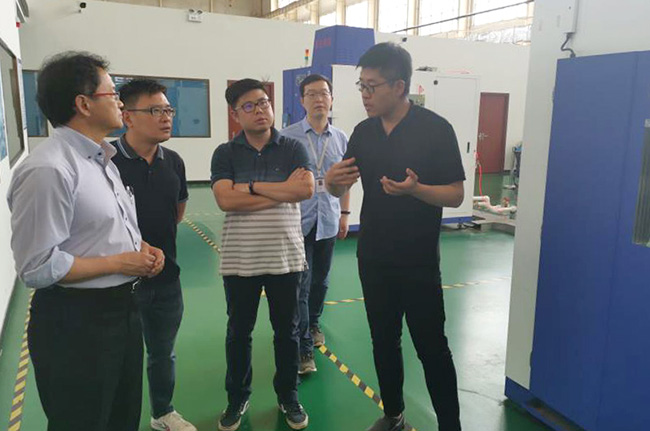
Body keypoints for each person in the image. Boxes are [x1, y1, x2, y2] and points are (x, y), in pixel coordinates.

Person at [7, 51, 164, 431]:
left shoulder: (100, 160)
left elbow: (99, 230)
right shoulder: (49, 169)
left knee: (122, 418)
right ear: (83, 104)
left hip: (122, 313)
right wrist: (120, 263)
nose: (120, 103)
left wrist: (140, 249)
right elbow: (37, 266)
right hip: (75, 324)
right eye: (112, 94)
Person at [325, 42, 465, 431]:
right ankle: (393, 415)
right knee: (384, 341)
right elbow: (340, 186)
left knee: (432, 347)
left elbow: (455, 194)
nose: (365, 95)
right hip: (373, 257)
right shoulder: (364, 132)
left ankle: (450, 425)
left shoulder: (436, 129)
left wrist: (416, 190)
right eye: (362, 86)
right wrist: (331, 182)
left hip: (418, 261)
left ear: (399, 86)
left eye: (372, 87)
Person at [211, 78, 315, 431]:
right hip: (240, 260)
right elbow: (225, 199)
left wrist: (252, 187)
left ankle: (288, 396)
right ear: (235, 114)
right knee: (239, 333)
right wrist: (280, 191)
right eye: (249, 106)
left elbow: (304, 189)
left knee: (287, 332)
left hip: (285, 257)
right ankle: (237, 398)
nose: (260, 110)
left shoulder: (293, 148)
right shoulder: (225, 153)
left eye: (264, 102)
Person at [111, 78, 195, 431]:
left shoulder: (173, 162)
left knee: (162, 353)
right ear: (128, 116)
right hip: (118, 283)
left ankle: (162, 413)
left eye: (168, 110)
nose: (166, 117)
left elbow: (177, 212)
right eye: (155, 110)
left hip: (166, 279)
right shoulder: (106, 161)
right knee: (118, 359)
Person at [281, 74, 350, 374]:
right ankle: (303, 349)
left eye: (324, 93)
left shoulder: (341, 138)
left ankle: (314, 322)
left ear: (331, 99)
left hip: (329, 219)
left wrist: (345, 214)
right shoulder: (287, 137)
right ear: (302, 100)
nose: (319, 99)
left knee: (321, 281)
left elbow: (346, 181)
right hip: (298, 221)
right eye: (312, 94)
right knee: (301, 285)